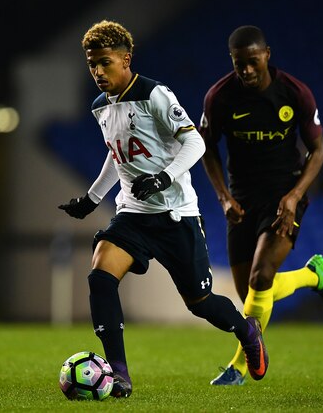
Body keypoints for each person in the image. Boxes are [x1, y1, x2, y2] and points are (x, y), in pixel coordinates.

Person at [58, 20, 269, 398]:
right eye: (92, 65)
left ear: (126, 59)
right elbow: (116, 155)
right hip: (133, 215)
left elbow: (195, 144)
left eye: (104, 63)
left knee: (201, 304)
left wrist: (164, 178)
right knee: (100, 277)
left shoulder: (155, 94)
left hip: (176, 216)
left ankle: (247, 331)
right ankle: (119, 375)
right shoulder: (99, 107)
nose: (97, 72)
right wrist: (91, 199)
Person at [199, 25, 323, 386]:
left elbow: (319, 151)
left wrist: (293, 197)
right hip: (241, 201)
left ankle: (240, 367)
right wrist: (223, 197)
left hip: (283, 198)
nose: (245, 70)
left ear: (267, 55)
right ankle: (314, 276)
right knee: (252, 296)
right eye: (238, 63)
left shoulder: (294, 94)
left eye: (252, 61)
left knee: (262, 278)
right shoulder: (219, 97)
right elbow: (207, 148)